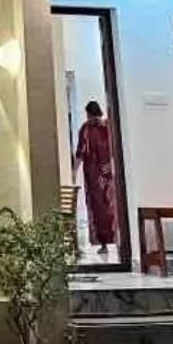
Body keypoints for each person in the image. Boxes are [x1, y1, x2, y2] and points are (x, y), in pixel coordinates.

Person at [75, 99, 118, 258]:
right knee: (106, 206)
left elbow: (80, 152)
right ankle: (111, 241)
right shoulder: (103, 127)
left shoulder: (91, 128)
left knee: (101, 207)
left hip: (98, 174)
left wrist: (74, 170)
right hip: (103, 173)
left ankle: (106, 243)